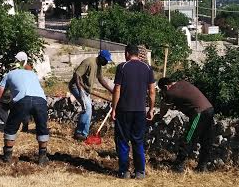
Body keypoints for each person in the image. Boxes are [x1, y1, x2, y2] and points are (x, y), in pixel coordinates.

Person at [0, 52, 50, 166]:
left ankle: (7, 157)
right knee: (42, 127)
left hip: (23, 100)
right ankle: (42, 158)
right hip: (41, 101)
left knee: (11, 127)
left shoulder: (9, 74)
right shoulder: (32, 74)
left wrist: (1, 101)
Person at [110, 44, 155, 179]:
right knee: (138, 141)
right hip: (140, 111)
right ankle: (140, 171)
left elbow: (117, 89)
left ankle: (124, 171)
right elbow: (152, 91)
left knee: (123, 141)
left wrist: (114, 108)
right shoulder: (147, 68)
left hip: (124, 110)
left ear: (128, 53)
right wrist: (151, 109)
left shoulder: (122, 67)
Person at [156, 77, 215, 173]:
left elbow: (163, 111)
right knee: (206, 140)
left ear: (166, 87)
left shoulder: (170, 92)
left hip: (199, 112)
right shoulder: (182, 83)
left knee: (189, 138)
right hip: (209, 109)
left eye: (163, 90)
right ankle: (202, 167)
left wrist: (163, 103)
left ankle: (178, 166)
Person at [69, 50, 114, 141]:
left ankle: (83, 134)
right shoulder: (89, 62)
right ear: (100, 57)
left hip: (85, 90)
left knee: (89, 111)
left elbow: (101, 79)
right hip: (76, 87)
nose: (106, 62)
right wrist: (80, 90)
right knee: (87, 108)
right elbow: (76, 75)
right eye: (105, 60)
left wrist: (112, 91)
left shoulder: (99, 66)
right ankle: (79, 134)